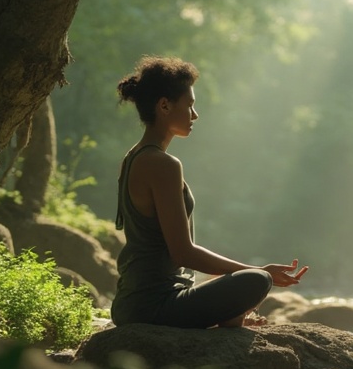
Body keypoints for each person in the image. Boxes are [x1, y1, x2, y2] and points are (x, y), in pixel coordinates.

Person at [112, 55, 307, 328]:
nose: (195, 114)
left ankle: (230, 316)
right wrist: (259, 271)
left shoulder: (133, 157)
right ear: (164, 106)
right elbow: (183, 254)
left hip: (134, 302)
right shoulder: (162, 164)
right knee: (257, 281)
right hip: (153, 306)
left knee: (237, 279)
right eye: (189, 105)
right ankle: (231, 317)